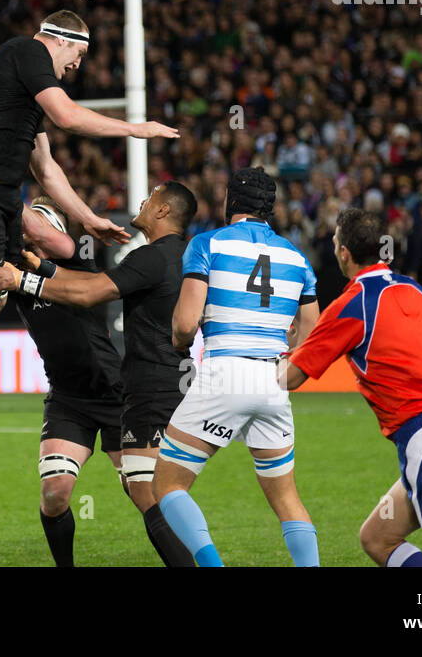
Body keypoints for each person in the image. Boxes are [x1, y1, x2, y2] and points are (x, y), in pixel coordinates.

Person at [0, 10, 178, 480]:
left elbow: (47, 171)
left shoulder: (25, 87)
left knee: (43, 263)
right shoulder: (26, 52)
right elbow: (68, 116)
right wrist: (137, 128)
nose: (77, 66)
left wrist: (89, 218)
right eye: (80, 53)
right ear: (58, 39)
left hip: (3, 200)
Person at [0, 185, 198, 567]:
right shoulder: (14, 270)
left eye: (44, 226)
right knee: (55, 492)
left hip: (117, 394)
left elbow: (75, 282)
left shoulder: (75, 265)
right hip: (68, 398)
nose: (34, 233)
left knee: (144, 494)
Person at [284, 209, 422, 566]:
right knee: (377, 538)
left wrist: (236, 371)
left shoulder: (352, 304)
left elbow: (290, 377)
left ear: (344, 253)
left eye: (337, 241)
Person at [152, 168, 320, 567]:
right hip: (273, 379)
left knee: (168, 484)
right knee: (285, 498)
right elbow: (313, 331)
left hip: (225, 370)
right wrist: (287, 356)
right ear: (270, 208)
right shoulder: (296, 257)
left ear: (232, 200)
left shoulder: (207, 243)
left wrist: (178, 341)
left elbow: (185, 323)